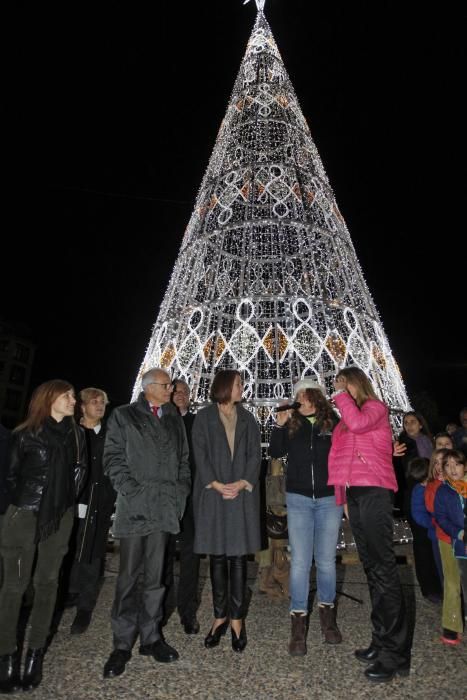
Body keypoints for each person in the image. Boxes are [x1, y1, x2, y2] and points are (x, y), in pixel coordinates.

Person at [102, 368, 190, 679]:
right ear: (150, 387)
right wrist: (131, 489)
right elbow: (112, 456)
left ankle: (152, 637)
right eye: (167, 385)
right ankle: (122, 643)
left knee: (156, 577)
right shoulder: (124, 416)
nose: (172, 389)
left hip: (165, 508)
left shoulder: (174, 418)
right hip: (135, 507)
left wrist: (179, 495)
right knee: (128, 578)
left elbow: (183, 462)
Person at [0, 380, 86, 693]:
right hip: (23, 514)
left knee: (47, 585)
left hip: (58, 519)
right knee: (14, 587)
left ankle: (34, 656)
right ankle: (6, 656)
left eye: (74, 396)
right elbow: (10, 478)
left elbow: (80, 473)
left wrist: (60, 506)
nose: (73, 401)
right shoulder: (24, 434)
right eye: (68, 396)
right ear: (49, 398)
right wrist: (24, 508)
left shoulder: (77, 435)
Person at [328, 367, 411, 684]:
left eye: (343, 383)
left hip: (375, 490)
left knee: (385, 569)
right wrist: (343, 499)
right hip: (355, 495)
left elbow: (359, 423)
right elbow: (337, 458)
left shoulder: (375, 409)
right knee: (373, 570)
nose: (338, 389)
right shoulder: (344, 421)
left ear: (355, 384)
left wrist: (341, 397)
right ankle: (382, 641)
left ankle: (395, 655)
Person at [270, 378, 343, 655]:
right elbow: (276, 452)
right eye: (297, 395)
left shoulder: (331, 422)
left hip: (328, 498)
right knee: (300, 562)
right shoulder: (292, 423)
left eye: (305, 394)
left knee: (325, 561)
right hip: (299, 498)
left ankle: (328, 622)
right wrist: (279, 423)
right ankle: (298, 628)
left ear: (316, 396)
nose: (301, 398)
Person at [192, 369, 261, 653]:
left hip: (240, 495)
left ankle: (236, 620)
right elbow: (200, 454)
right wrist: (217, 484)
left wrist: (244, 481)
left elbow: (256, 454)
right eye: (238, 384)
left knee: (237, 559)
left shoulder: (248, 419)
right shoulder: (204, 418)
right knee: (217, 557)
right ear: (224, 387)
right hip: (213, 494)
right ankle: (219, 617)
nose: (242, 387)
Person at [66, 387, 116, 634]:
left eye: (103, 403)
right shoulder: (70, 434)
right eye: (94, 402)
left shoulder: (110, 436)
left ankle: (85, 608)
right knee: (69, 550)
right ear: (82, 406)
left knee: (93, 555)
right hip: (71, 504)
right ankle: (69, 593)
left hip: (99, 504)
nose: (99, 406)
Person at [163, 379, 201, 634]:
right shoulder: (161, 420)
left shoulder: (198, 422)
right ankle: (162, 608)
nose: (181, 395)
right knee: (162, 555)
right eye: (176, 392)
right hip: (166, 497)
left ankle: (187, 611)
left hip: (192, 497)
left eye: (185, 392)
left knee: (191, 556)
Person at [433, 449, 465, 645]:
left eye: (456, 464)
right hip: (448, 539)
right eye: (445, 464)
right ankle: (452, 624)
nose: (452, 468)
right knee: (452, 582)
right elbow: (439, 515)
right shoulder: (440, 489)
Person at [406, 457, 442, 603]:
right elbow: (418, 513)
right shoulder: (419, 490)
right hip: (433, 531)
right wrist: (434, 523)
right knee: (430, 560)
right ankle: (433, 589)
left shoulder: (439, 485)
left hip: (444, 532)